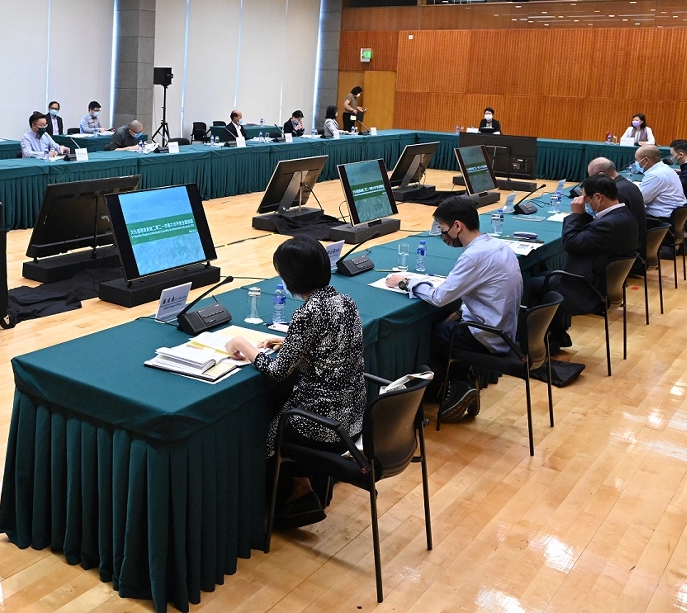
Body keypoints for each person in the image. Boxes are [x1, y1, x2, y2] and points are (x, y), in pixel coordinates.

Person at [224, 236, 365, 526]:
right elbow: (330, 347)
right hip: (353, 419)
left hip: (324, 425)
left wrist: (241, 343)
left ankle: (296, 491)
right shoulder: (346, 301)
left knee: (270, 427)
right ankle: (303, 490)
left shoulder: (307, 313)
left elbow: (277, 372)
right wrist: (290, 344)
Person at [385, 196, 523, 423]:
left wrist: (405, 282)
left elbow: (439, 298)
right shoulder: (496, 245)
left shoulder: (474, 256)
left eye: (443, 230)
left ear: (458, 226)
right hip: (501, 329)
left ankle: (455, 387)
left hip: (486, 336)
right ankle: (460, 381)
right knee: (446, 324)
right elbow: (486, 293)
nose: (443, 237)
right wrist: (459, 312)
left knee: (427, 336)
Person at [539, 174, 639, 348]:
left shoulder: (609, 224)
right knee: (543, 274)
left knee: (528, 285)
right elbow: (590, 232)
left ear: (598, 197)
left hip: (586, 288)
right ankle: (558, 335)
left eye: (586, 199)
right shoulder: (624, 215)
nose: (584, 203)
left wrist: (576, 215)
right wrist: (583, 215)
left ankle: (542, 343)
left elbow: (571, 243)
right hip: (600, 281)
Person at [588, 157, 647, 265]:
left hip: (626, 255)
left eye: (592, 177)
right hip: (637, 245)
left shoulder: (615, 193)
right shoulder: (629, 185)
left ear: (601, 175)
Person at [636, 145, 686, 232]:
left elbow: (640, 200)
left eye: (637, 160)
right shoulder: (665, 168)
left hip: (661, 220)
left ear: (646, 160)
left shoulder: (655, 175)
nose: (636, 163)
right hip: (674, 215)